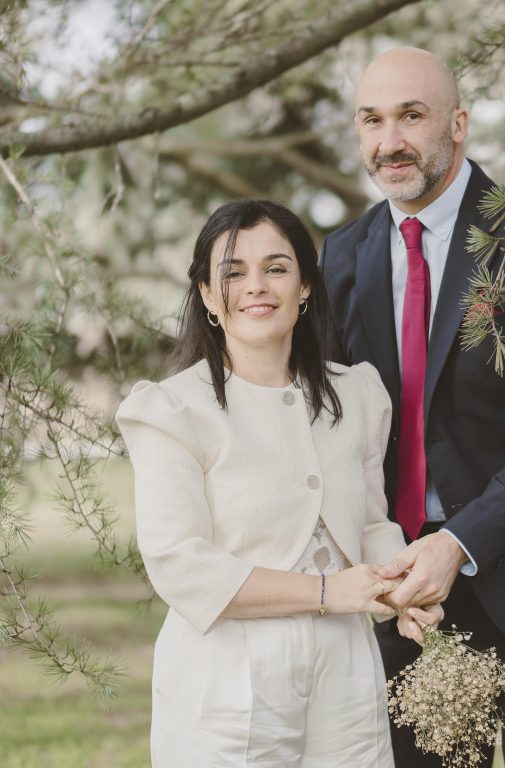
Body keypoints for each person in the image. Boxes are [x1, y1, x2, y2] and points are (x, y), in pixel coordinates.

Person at [321, 48, 505, 768]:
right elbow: (334, 426)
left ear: (457, 125)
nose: (389, 141)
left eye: (411, 117)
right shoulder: (342, 256)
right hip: (406, 603)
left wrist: (457, 545)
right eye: (372, 120)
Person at [116, 199, 441, 767]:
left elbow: (368, 524)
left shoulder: (359, 394)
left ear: (306, 286)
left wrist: (401, 591)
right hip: (225, 674)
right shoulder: (170, 409)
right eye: (233, 272)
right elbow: (178, 561)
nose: (256, 287)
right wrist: (325, 593)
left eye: (276, 268)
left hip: (346, 668)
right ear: (207, 295)